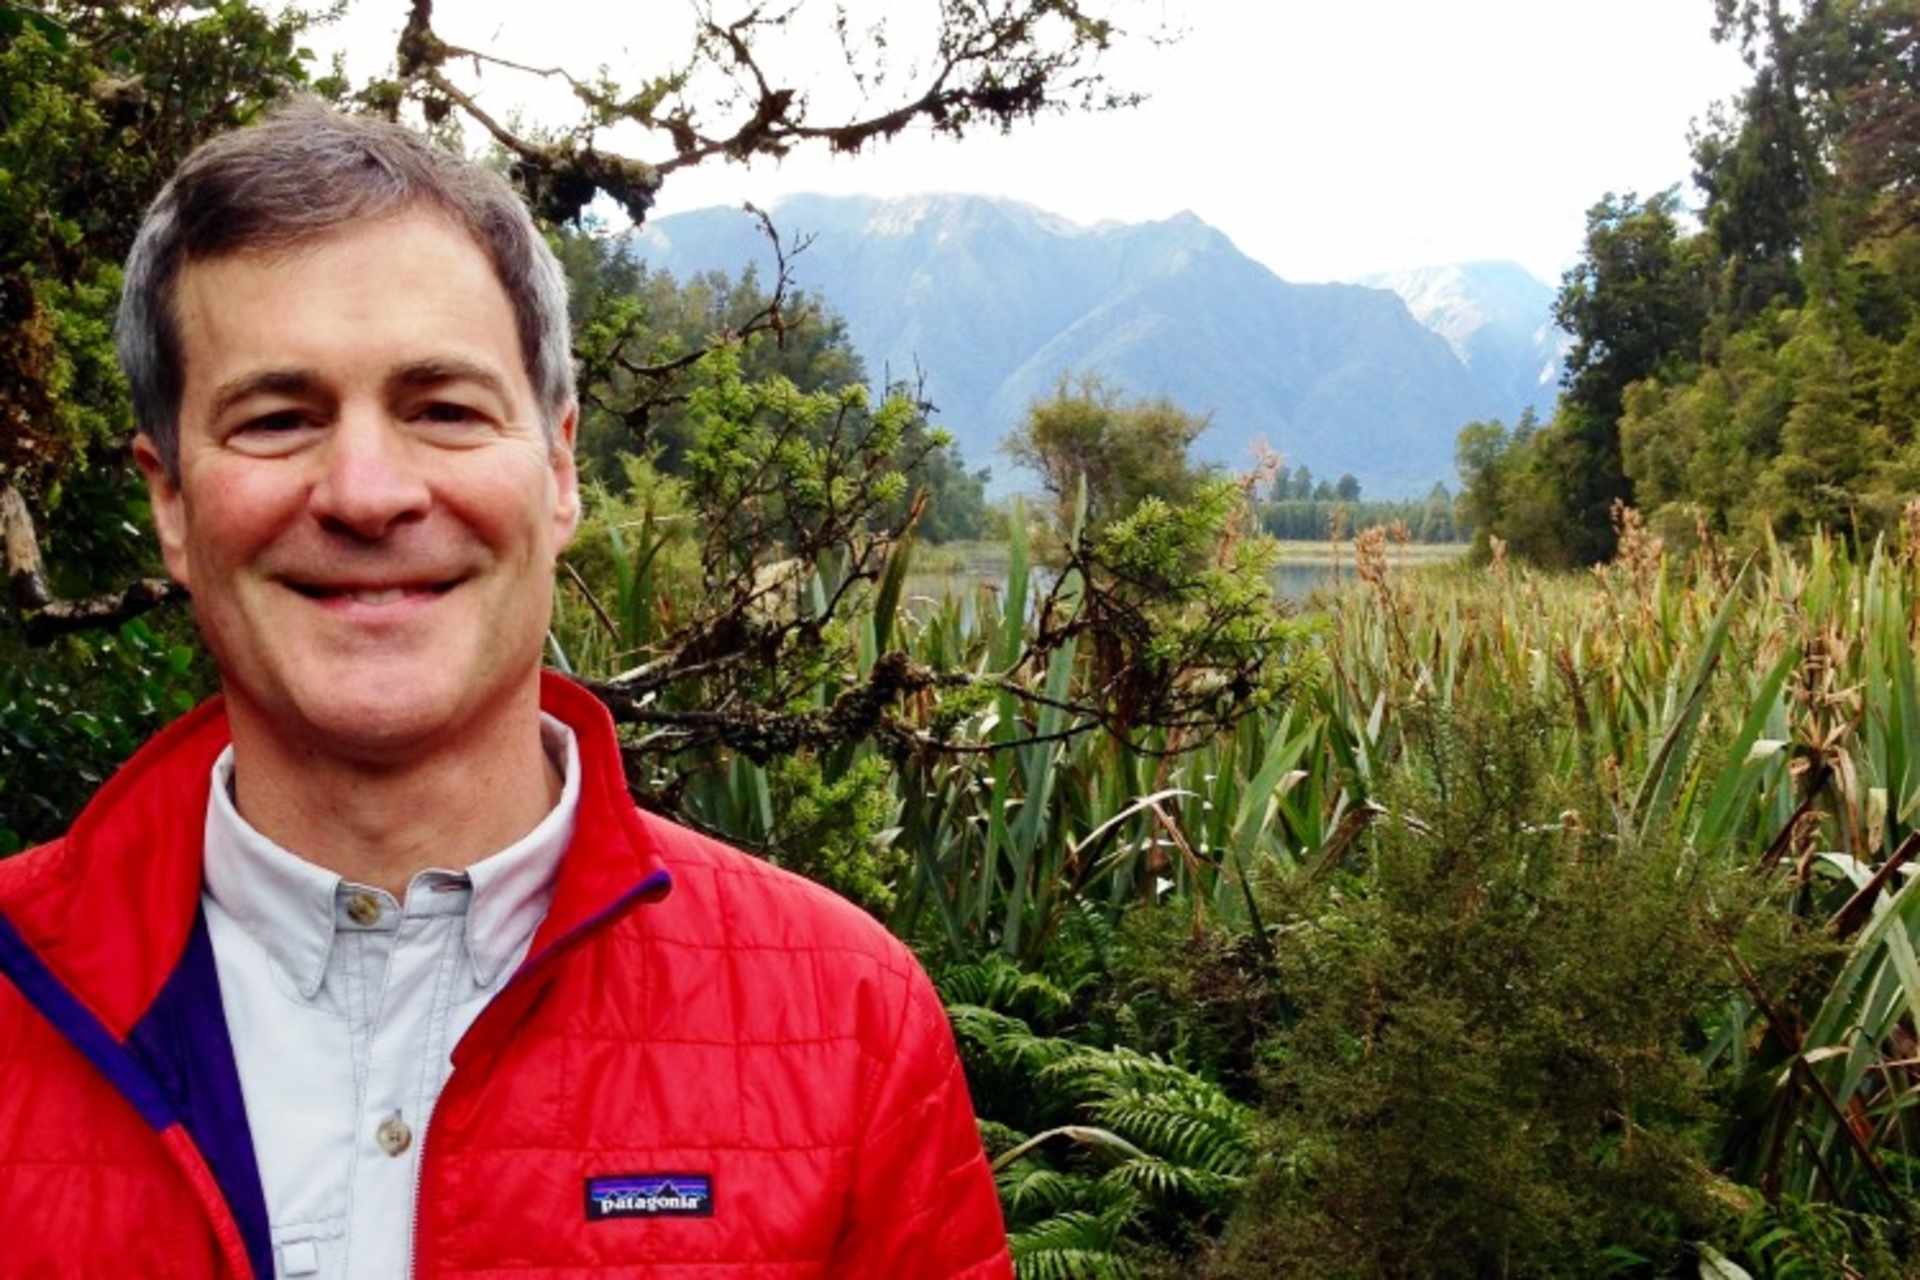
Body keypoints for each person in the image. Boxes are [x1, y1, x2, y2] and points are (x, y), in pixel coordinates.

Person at [0, 101, 1010, 1279]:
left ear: (560, 467)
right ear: (171, 500)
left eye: (443, 410)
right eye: (277, 419)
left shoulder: (850, 1022)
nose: (367, 492)